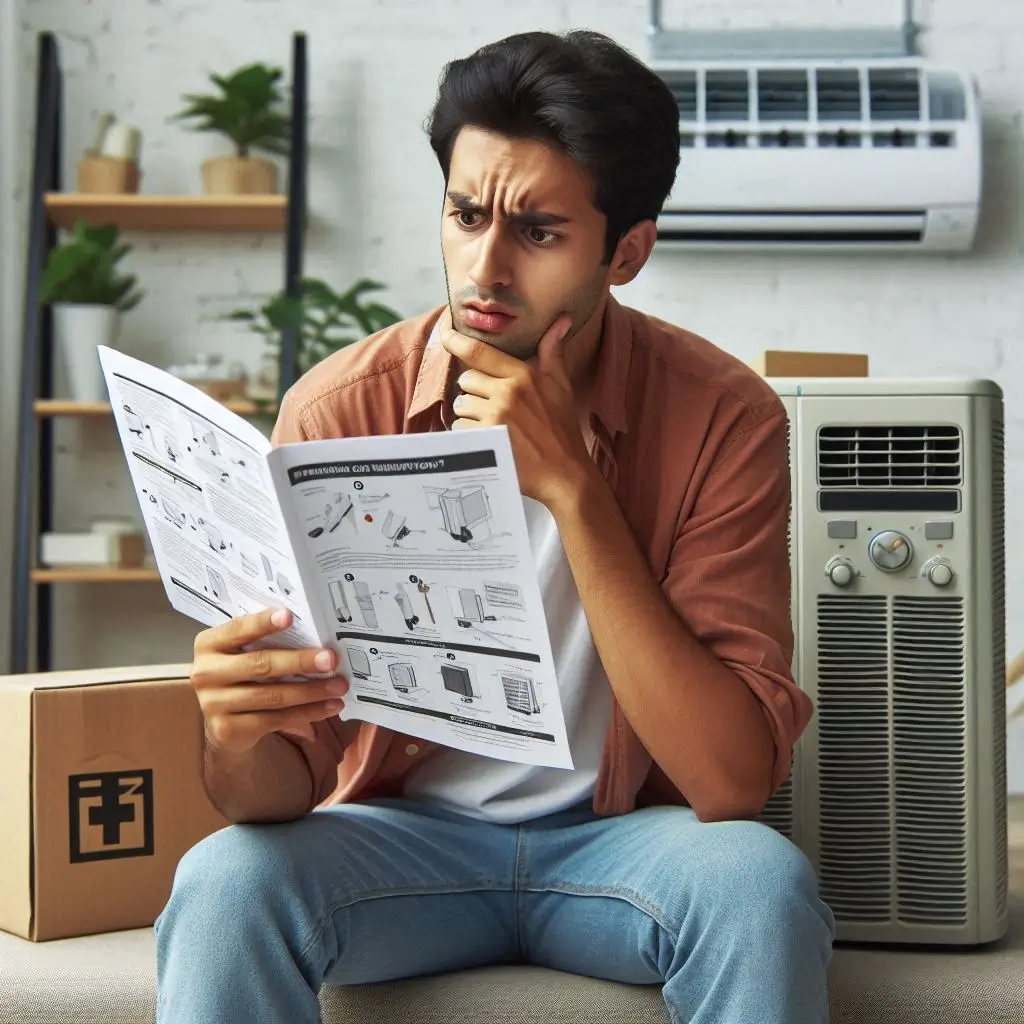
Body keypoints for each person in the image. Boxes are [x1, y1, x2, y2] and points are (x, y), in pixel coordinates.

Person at [155, 29, 835, 1024]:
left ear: (627, 251)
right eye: (465, 215)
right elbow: (274, 795)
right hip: (398, 838)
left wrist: (573, 487)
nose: (486, 267)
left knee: (758, 883)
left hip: (619, 844)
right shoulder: (338, 408)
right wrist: (233, 727)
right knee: (223, 883)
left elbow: (728, 779)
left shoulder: (723, 416)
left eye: (539, 232)